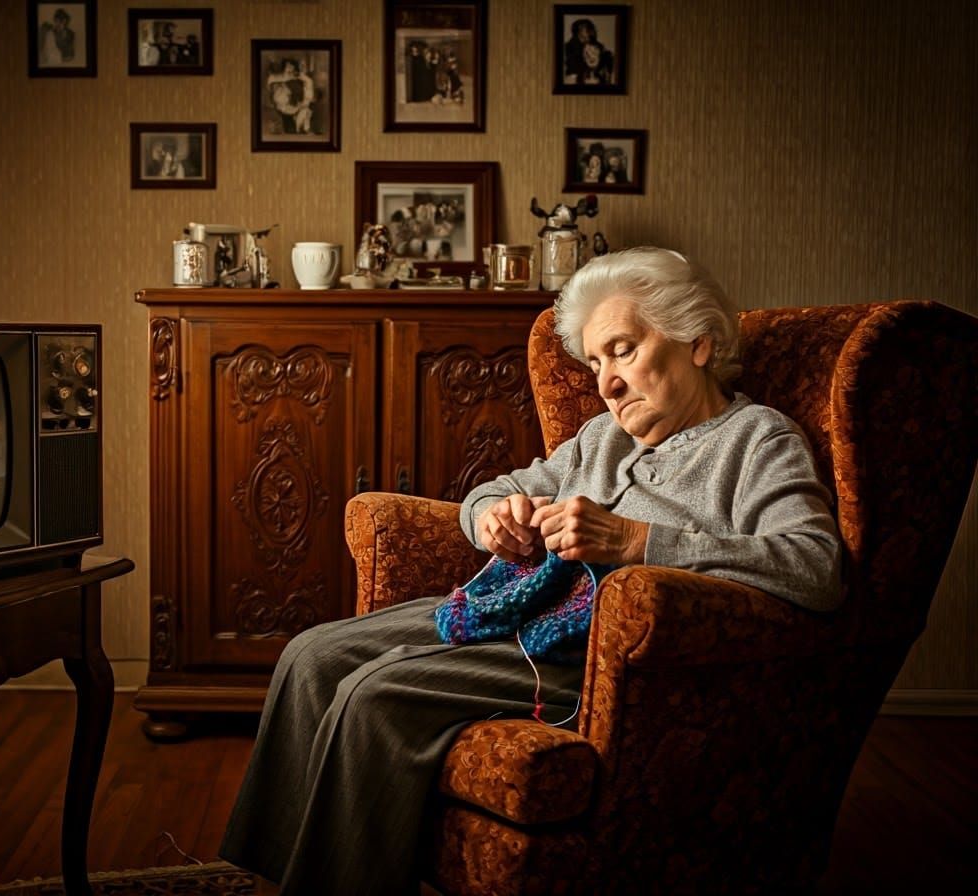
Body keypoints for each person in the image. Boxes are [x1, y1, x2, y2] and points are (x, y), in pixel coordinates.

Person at [219, 246, 843, 896]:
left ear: (697, 341)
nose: (606, 382)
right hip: (517, 609)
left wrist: (635, 542)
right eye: (596, 362)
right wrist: (493, 518)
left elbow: (814, 564)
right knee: (311, 655)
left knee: (372, 697)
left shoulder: (758, 440)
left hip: (596, 655)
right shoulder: (605, 438)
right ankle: (269, 879)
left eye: (622, 350)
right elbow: (494, 491)